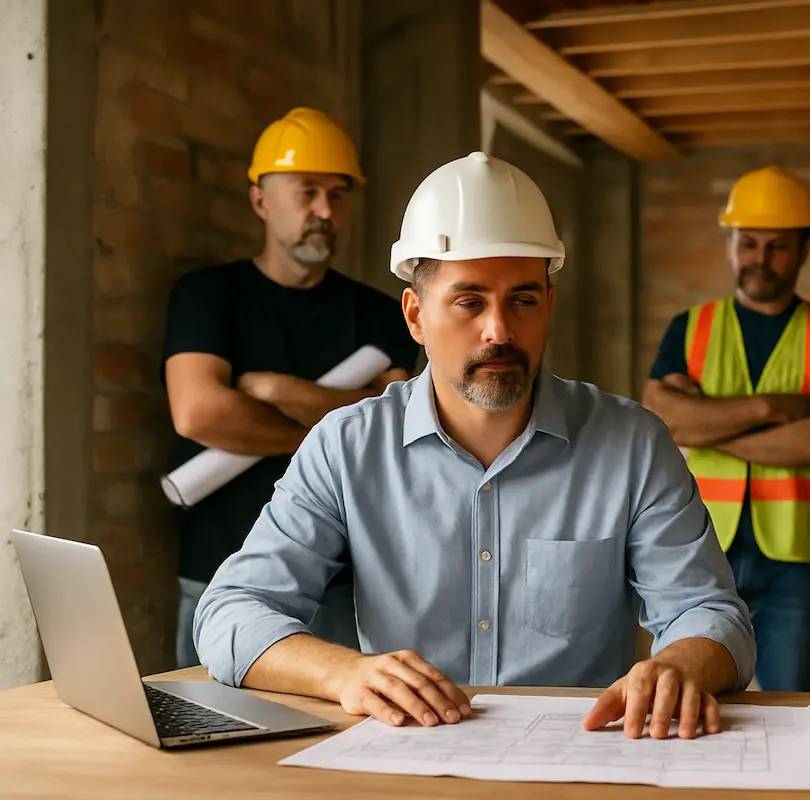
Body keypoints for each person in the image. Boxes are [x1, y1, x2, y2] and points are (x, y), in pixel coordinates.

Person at [192, 151, 755, 741]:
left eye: (523, 299)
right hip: (406, 764)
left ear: (549, 305)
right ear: (415, 315)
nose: (500, 331)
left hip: (577, 762)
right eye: (469, 301)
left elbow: (713, 615)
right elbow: (232, 612)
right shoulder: (345, 448)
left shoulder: (632, 445)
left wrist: (679, 665)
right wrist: (345, 672)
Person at [161, 107, 420, 669]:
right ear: (261, 200)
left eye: (338, 194)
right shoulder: (208, 296)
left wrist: (270, 389)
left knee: (337, 744)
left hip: (344, 585)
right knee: (209, 745)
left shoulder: (381, 314)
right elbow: (198, 413)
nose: (325, 211)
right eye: (307, 193)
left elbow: (391, 430)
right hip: (217, 575)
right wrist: (336, 425)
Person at [641, 166, 810, 693]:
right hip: (701, 549)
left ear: (805, 249)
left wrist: (707, 427)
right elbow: (663, 417)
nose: (759, 259)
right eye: (748, 242)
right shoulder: (690, 329)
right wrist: (769, 407)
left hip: (796, 561)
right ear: (730, 243)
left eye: (777, 247)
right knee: (693, 694)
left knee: (789, 701)